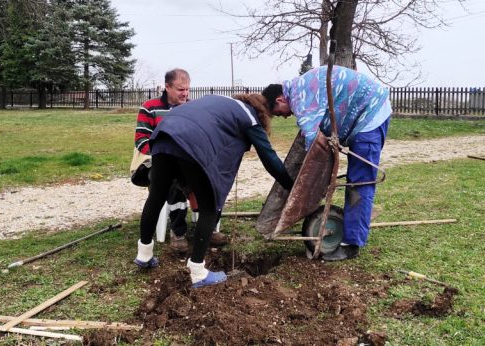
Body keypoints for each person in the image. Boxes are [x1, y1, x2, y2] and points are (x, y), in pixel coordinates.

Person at [134, 93, 294, 288]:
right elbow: (269, 158)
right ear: (262, 113)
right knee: (209, 207)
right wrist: (290, 185)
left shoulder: (221, 101)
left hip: (163, 134)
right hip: (192, 142)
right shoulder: (250, 117)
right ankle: (198, 272)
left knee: (156, 197)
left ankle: (144, 255)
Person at [262, 65, 392, 261]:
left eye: (279, 112)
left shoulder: (301, 98)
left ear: (280, 99)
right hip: (368, 112)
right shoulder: (302, 87)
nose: (285, 116)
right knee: (356, 180)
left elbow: (313, 141)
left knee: (360, 182)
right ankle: (354, 227)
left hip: (371, 115)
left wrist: (309, 182)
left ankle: (351, 245)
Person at [132, 69, 227, 252]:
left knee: (213, 178)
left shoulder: (193, 108)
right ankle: (178, 231)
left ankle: (209, 227)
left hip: (188, 161)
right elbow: (141, 140)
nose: (185, 94)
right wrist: (165, 155)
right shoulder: (150, 108)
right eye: (180, 89)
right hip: (155, 162)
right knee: (172, 180)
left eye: (187, 90)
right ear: (167, 87)